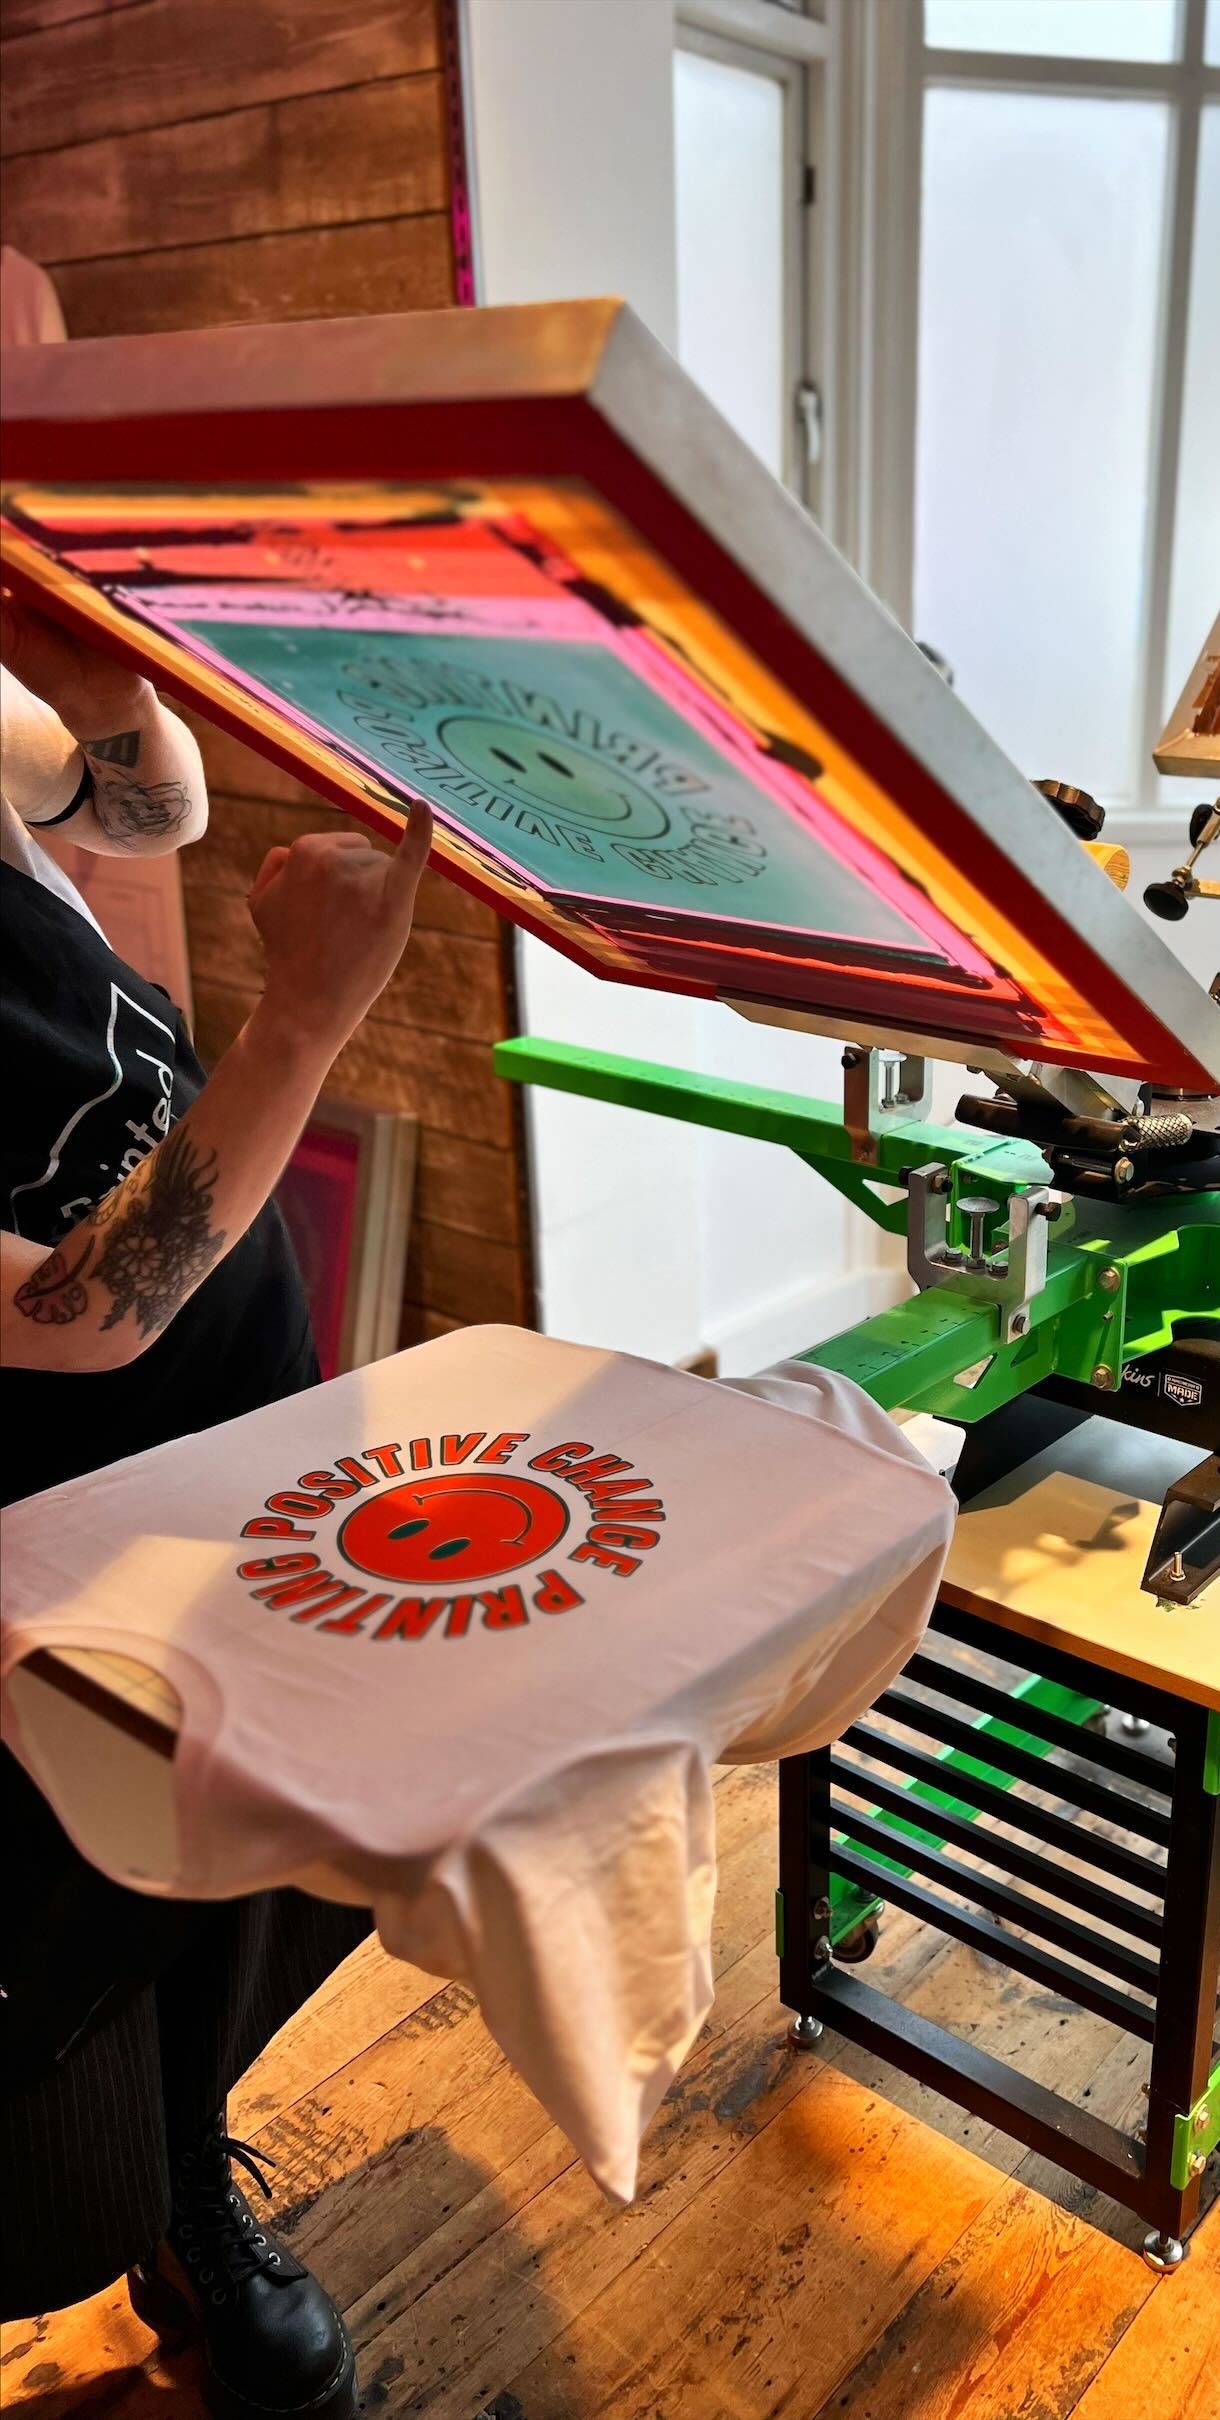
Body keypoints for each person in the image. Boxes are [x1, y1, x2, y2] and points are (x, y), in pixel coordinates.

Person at [1, 590, 432, 2420]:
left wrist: (109, 707)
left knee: (224, 1836)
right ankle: (97, 2210)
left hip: (231, 1398)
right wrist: (309, 1021)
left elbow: (137, 819)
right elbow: (71, 1315)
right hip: (60, 1490)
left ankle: (186, 2193)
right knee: (63, 1901)